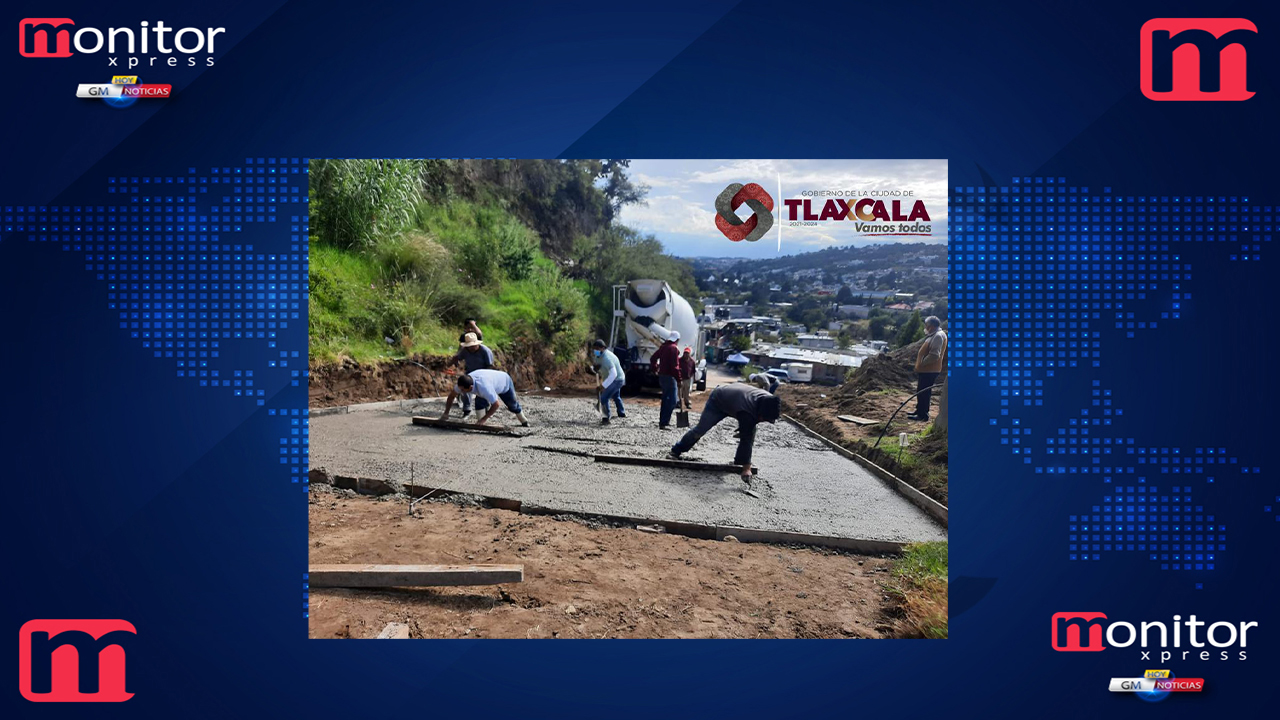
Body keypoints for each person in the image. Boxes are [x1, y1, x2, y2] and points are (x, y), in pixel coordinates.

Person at [670, 383, 781, 482]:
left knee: (749, 431)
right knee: (701, 429)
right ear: (759, 412)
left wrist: (746, 426)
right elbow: (746, 438)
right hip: (718, 400)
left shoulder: (769, 401)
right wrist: (747, 468)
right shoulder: (747, 410)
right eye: (763, 418)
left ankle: (739, 461)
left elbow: (756, 421)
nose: (763, 421)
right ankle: (676, 451)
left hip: (735, 399)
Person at [441, 369, 529, 427]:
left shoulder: (484, 388)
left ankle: (524, 421)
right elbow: (451, 396)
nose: (462, 392)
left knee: (512, 406)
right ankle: (481, 425)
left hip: (504, 382)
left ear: (470, 387)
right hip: (489, 381)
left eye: (463, 390)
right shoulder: (463, 384)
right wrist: (446, 413)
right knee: (479, 404)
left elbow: (496, 404)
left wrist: (484, 419)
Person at [906, 316, 948, 421]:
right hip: (927, 369)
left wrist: (922, 364)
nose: (925, 327)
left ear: (932, 326)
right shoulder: (934, 335)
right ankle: (919, 410)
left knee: (924, 392)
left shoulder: (938, 336)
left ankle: (923, 415)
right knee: (921, 390)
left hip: (930, 370)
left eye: (927, 325)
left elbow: (934, 355)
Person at [451, 332, 494, 417]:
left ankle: (485, 409)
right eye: (469, 346)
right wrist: (455, 362)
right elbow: (457, 357)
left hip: (483, 374)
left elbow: (490, 365)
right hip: (470, 374)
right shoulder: (465, 350)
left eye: (473, 346)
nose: (471, 348)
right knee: (465, 389)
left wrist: (486, 377)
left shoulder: (485, 351)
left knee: (482, 393)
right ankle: (467, 409)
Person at [650, 331, 681, 429]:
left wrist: (655, 369)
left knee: (665, 399)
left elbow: (653, 358)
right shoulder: (673, 348)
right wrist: (679, 379)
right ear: (677, 340)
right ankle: (664, 422)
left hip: (662, 376)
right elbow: (674, 367)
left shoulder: (663, 347)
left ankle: (663, 421)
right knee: (672, 401)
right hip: (670, 377)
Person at [591, 339, 626, 425]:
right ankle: (621, 413)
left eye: (597, 349)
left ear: (603, 348)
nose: (595, 351)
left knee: (604, 398)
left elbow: (613, 374)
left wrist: (603, 386)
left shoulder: (607, 358)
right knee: (616, 395)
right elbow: (597, 365)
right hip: (610, 378)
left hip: (617, 379)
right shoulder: (598, 356)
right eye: (594, 348)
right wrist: (593, 368)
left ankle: (606, 418)